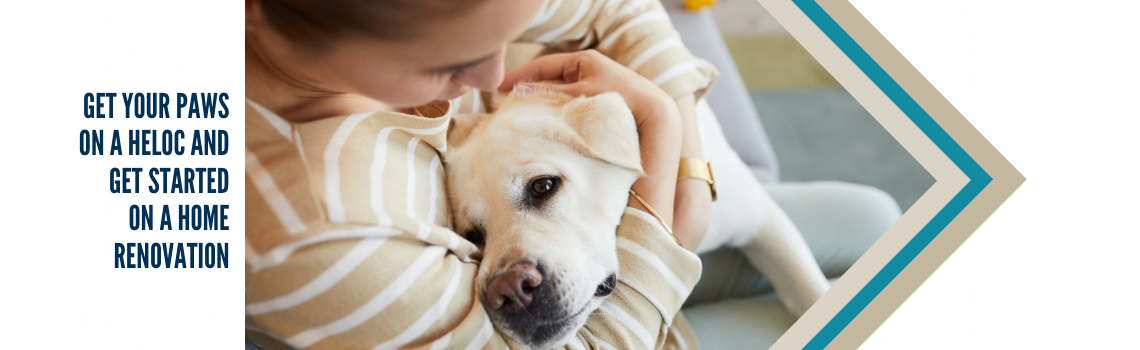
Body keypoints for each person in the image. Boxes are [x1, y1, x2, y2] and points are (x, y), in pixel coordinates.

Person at [244, 0, 722, 349]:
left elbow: (620, 8)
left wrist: (688, 169)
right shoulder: (321, 233)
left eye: (504, 36)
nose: (497, 79)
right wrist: (663, 134)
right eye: (447, 61)